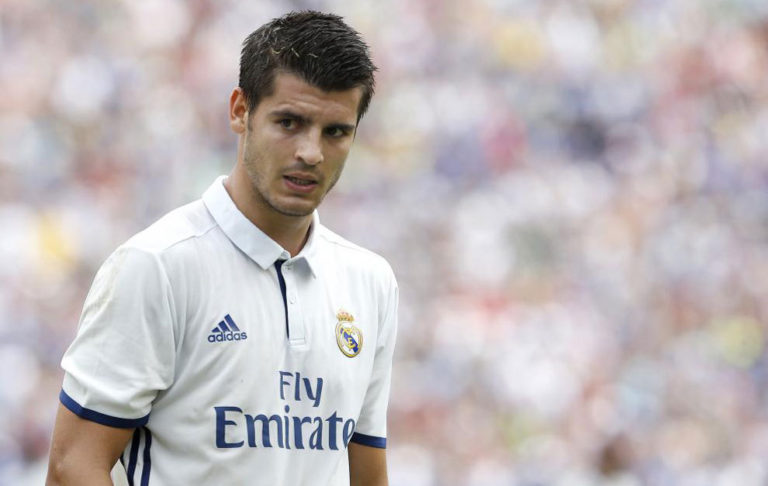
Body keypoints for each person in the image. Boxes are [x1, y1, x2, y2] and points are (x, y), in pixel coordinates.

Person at [46, 11, 397, 486]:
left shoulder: (370, 282)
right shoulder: (157, 266)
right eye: (289, 122)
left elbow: (367, 474)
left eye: (335, 131)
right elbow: (72, 466)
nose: (311, 152)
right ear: (239, 111)